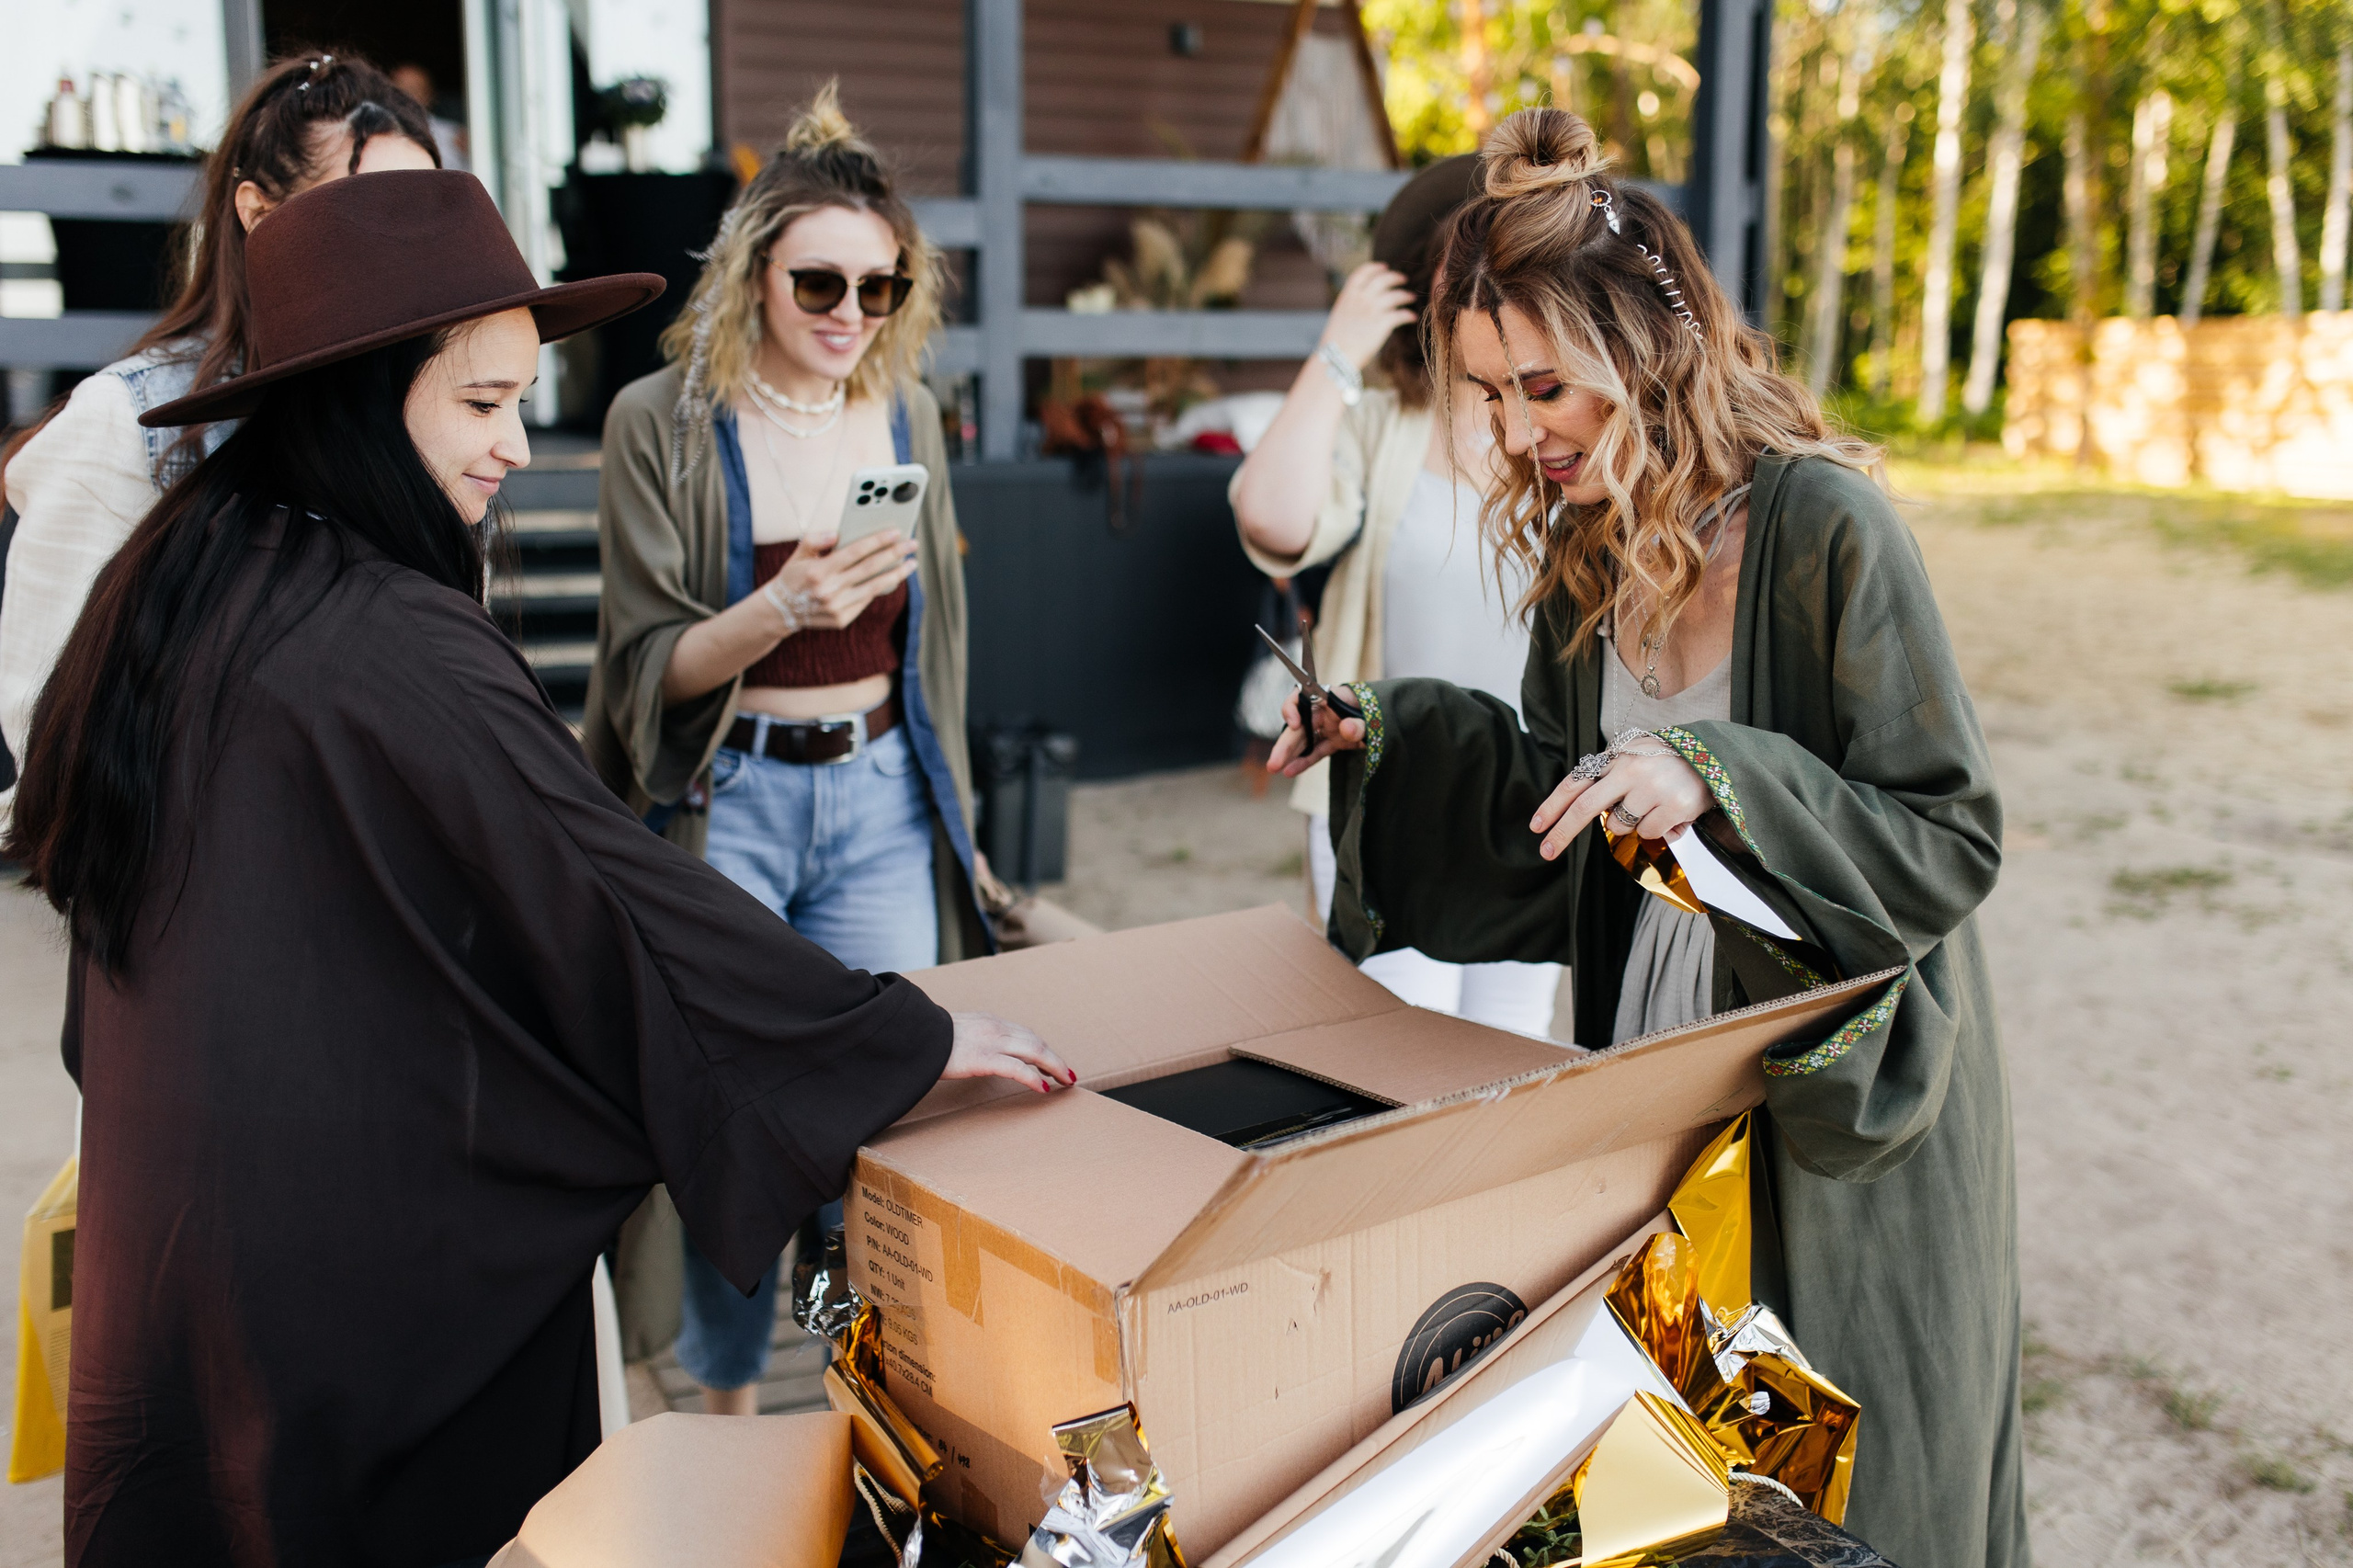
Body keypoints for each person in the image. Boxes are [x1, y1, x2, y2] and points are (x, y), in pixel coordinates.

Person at [1, 168, 1071, 1567]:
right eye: (481, 402)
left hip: (183, 1237)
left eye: (519, 397)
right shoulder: (394, 638)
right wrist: (887, 1036)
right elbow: (610, 892)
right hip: (335, 1288)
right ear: (359, 394)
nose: (513, 444)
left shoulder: (185, 573)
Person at [1271, 108, 2022, 1568]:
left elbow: (1949, 830)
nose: (1510, 432)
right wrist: (1396, 731)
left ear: (1648, 349)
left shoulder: (1827, 527)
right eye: (1484, 394)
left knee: (1857, 1466)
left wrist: (1721, 776)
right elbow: (1563, 814)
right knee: (1681, 1463)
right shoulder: (1581, 551)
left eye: (1542, 386)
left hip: (1830, 1081)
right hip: (1652, 1049)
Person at [583, 85, 989, 1415]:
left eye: (882, 289)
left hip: (878, 794)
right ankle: (729, 1400)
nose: (849, 314)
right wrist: (778, 609)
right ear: (754, 270)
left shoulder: (908, 416)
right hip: (733, 797)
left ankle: (879, 1382)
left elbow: (937, 650)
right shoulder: (661, 420)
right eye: (820, 279)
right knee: (731, 1126)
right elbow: (647, 668)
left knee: (890, 1108)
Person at [0, 53, 439, 822]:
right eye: (364, 210)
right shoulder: (125, 423)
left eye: (425, 215)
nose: (399, 246)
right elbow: (51, 732)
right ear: (259, 213)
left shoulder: (428, 412)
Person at [1231, 155, 1561, 1038]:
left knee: (1514, 1058)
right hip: (1387, 792)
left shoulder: (1572, 431)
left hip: (1537, 799)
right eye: (1472, 265)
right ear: (1429, 285)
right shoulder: (1379, 426)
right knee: (1393, 1054)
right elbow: (1270, 521)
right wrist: (1338, 354)